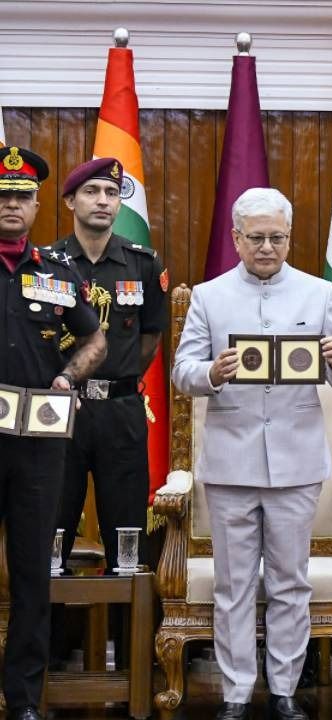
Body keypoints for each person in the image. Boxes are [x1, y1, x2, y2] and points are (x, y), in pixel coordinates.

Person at [171, 187, 332, 720]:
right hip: (231, 462)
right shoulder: (209, 297)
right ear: (236, 238)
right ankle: (234, 693)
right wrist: (211, 373)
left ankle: (283, 689)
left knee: (289, 581)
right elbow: (182, 372)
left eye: (277, 237)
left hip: (296, 462)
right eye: (256, 238)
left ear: (289, 238)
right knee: (233, 586)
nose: (268, 248)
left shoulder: (318, 293)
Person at [0, 145, 106, 720]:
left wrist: (68, 376)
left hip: (39, 445)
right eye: (2, 195)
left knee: (32, 574)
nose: (11, 205)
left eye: (21, 196)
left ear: (38, 205)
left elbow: (95, 340)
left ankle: (23, 699)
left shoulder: (57, 273)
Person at [51, 157, 169, 573]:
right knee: (54, 526)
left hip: (121, 411)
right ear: (69, 201)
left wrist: (117, 377)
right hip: (63, 411)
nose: (103, 201)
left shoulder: (144, 264)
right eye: (91, 192)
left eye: (112, 193)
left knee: (127, 534)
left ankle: (127, 638)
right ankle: (55, 640)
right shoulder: (49, 265)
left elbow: (151, 339)